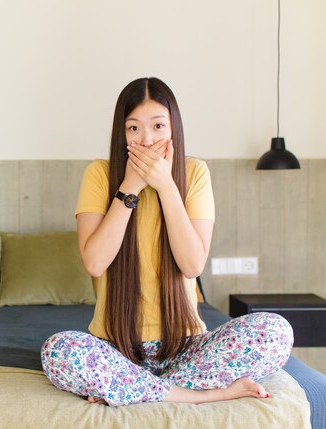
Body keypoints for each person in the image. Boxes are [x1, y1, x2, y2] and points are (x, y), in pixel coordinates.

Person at [41, 77, 293, 406]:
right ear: (122, 133)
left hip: (185, 348)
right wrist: (130, 186)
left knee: (275, 332)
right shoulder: (100, 175)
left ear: (174, 127)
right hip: (116, 349)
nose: (146, 140)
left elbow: (191, 265)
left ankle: (131, 390)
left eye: (158, 126)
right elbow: (95, 262)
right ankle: (201, 396)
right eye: (134, 129)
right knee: (58, 352)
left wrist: (166, 187)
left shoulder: (195, 173)